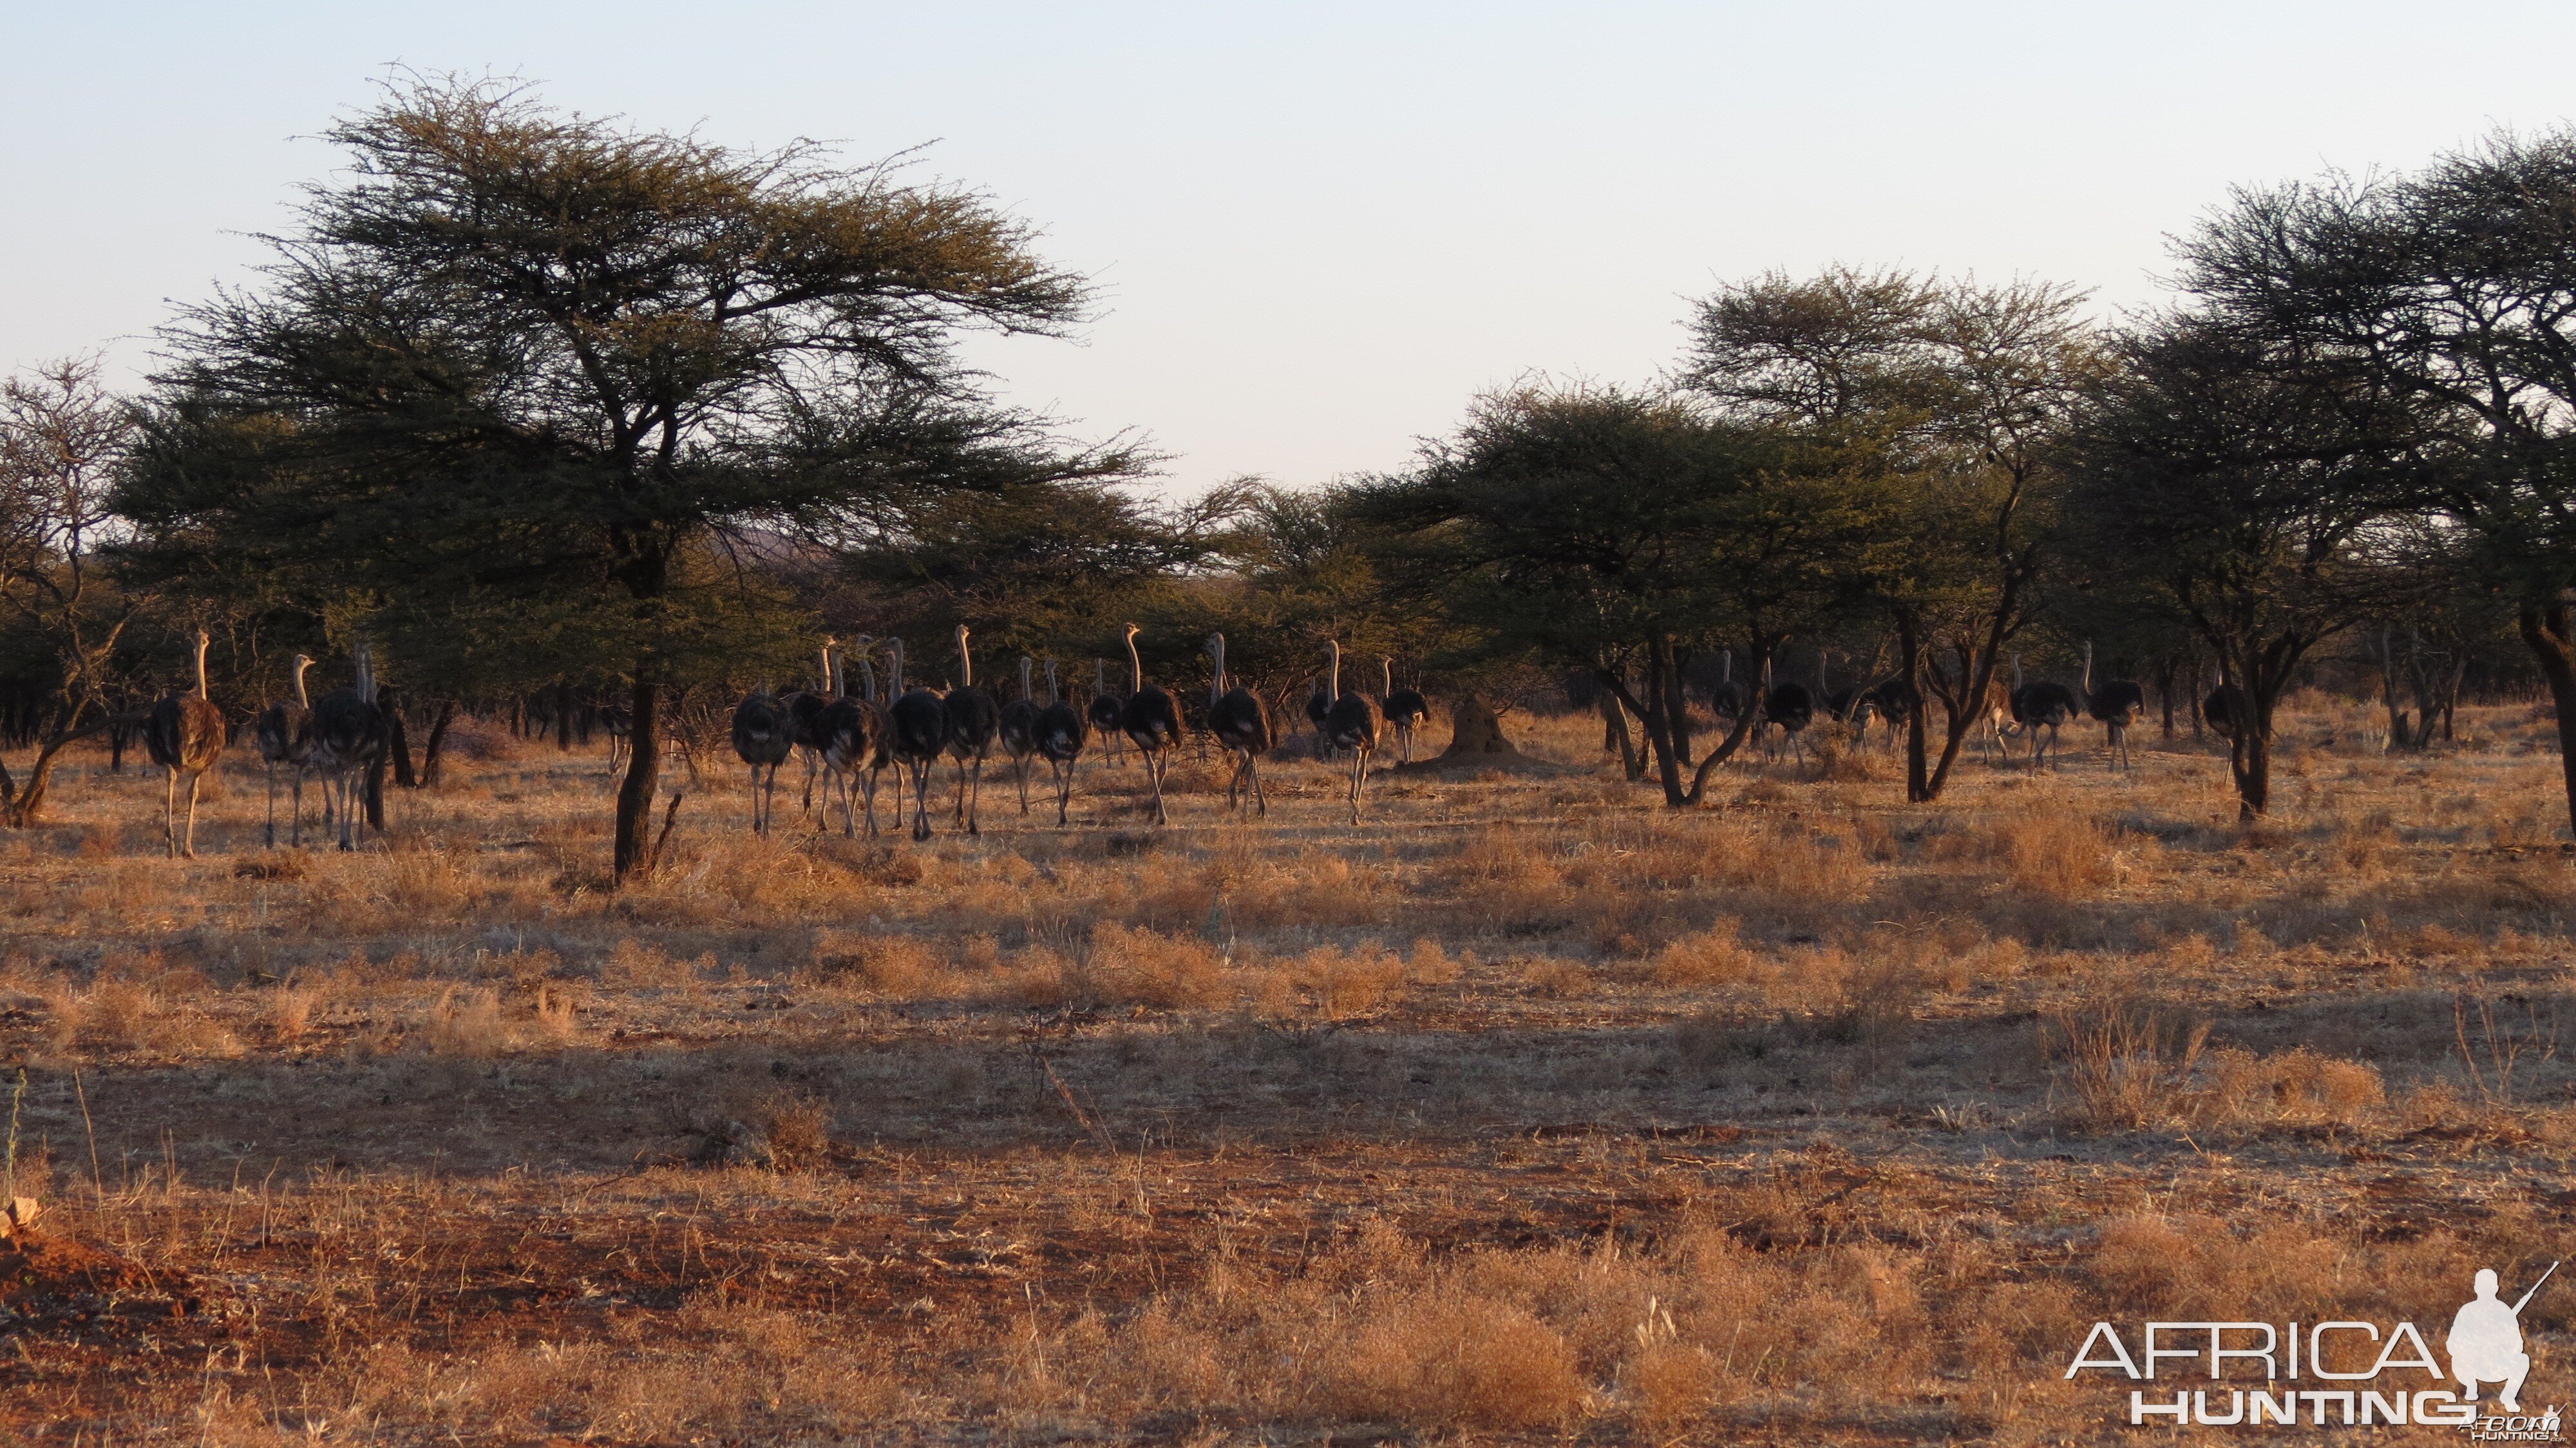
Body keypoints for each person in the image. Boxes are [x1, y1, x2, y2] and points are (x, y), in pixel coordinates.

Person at [2450, 1268, 2532, 1413]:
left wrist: (2499, 1346)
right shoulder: (2467, 1311)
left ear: (2496, 1289)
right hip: (2472, 1365)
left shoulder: (2504, 1311)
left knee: (2523, 1359)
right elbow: (2452, 1344)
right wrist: (2473, 1347)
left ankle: (2508, 1396)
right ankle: (2471, 1386)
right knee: (2457, 1358)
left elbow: (2518, 1345)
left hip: (2497, 1365)